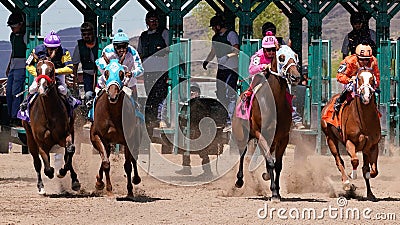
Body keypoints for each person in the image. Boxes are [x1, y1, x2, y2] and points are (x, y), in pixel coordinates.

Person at [261, 22, 305, 129]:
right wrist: (262, 67)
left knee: (287, 94)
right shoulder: (261, 47)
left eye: (272, 50)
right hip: (264, 76)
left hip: (280, 77)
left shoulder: (282, 44)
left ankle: (295, 118)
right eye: (268, 50)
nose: (271, 51)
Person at [21, 31, 77, 111]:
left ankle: (70, 104)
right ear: (45, 46)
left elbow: (70, 68)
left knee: (62, 90)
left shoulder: (64, 52)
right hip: (41, 74)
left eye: (55, 48)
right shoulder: (36, 51)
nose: (52, 50)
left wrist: (54, 72)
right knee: (32, 88)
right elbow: (28, 65)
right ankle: (26, 103)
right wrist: (38, 73)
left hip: (57, 74)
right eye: (49, 48)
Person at [203, 15, 239, 132]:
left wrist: (227, 56)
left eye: (213, 27)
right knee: (220, 93)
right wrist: (207, 60)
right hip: (222, 69)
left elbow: (236, 50)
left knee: (230, 94)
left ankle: (230, 120)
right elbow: (213, 51)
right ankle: (224, 118)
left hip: (231, 69)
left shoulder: (231, 35)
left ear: (218, 26)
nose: (213, 29)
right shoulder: (215, 38)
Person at [137, 10, 169, 129]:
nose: (154, 22)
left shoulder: (164, 33)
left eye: (156, 20)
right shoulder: (143, 36)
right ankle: (151, 120)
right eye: (151, 20)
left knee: (161, 95)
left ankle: (161, 119)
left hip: (161, 70)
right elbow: (139, 53)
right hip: (148, 71)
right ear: (147, 22)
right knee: (150, 96)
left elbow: (171, 49)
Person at [96, 29, 144, 100]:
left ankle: (136, 107)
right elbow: (99, 62)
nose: (121, 49)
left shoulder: (133, 52)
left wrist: (132, 73)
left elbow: (140, 69)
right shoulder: (107, 50)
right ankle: (92, 104)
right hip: (110, 79)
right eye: (118, 47)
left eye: (124, 46)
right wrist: (108, 69)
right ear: (114, 46)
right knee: (98, 92)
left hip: (127, 80)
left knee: (134, 90)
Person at [334, 43, 380, 112]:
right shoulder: (349, 61)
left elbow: (377, 75)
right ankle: (339, 102)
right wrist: (349, 79)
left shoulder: (373, 61)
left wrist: (375, 84)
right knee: (349, 88)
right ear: (357, 57)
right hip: (351, 81)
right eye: (362, 59)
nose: (365, 62)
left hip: (367, 82)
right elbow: (339, 76)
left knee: (376, 92)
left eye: (367, 60)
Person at [71, 22, 98, 129]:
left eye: (88, 34)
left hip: (99, 74)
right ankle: (89, 118)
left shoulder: (100, 43)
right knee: (88, 95)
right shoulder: (80, 46)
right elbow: (75, 63)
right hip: (87, 74)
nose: (86, 36)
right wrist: (75, 78)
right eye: (84, 34)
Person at [6, 12, 26, 127]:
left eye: (14, 26)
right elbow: (13, 52)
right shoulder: (12, 36)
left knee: (16, 92)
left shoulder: (25, 36)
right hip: (13, 66)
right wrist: (9, 65)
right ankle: (9, 115)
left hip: (21, 67)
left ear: (21, 24)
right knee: (9, 92)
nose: (13, 29)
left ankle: (15, 116)